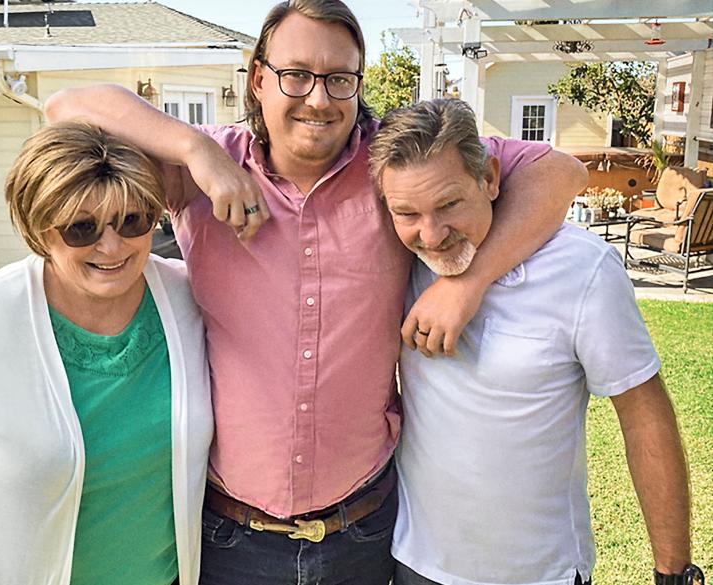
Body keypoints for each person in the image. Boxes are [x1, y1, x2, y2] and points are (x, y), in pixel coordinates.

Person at [44, 1, 587, 582]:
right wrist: (196, 151)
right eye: (296, 75)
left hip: (365, 528)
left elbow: (560, 172)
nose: (319, 98)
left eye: (339, 79)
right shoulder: (201, 171)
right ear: (258, 79)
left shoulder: (393, 165)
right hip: (231, 537)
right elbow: (65, 107)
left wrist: (470, 282)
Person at [368, 98, 697, 585]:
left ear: (490, 179)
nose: (432, 235)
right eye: (407, 213)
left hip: (543, 574)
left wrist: (673, 572)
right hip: (415, 563)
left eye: (449, 204)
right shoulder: (399, 259)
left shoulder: (581, 269)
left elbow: (643, 412)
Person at [0, 122, 213, 585]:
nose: (112, 246)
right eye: (82, 228)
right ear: (41, 230)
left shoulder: (187, 299)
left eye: (132, 221)